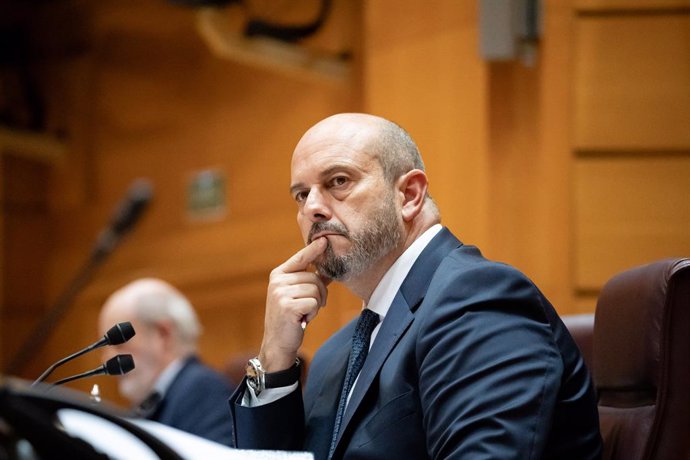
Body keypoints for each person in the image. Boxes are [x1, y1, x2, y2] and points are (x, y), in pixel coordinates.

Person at [229, 113, 603, 459]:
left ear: (409, 195)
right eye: (301, 194)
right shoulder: (333, 355)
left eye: (338, 181)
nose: (312, 208)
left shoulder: (479, 299)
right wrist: (275, 360)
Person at [98, 278, 234, 446]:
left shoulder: (203, 390)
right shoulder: (150, 401)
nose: (107, 358)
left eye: (118, 344)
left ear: (163, 335)